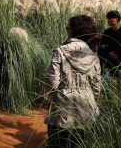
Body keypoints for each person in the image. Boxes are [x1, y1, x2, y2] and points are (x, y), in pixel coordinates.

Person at [44, 15, 101, 148]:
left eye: (68, 27)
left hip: (63, 104)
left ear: (72, 31)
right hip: (86, 105)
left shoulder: (60, 51)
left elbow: (53, 82)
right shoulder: (94, 57)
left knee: (58, 143)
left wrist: (53, 95)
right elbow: (96, 89)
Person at [98, 10, 121, 92]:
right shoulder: (107, 32)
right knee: (106, 86)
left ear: (116, 19)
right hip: (109, 64)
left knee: (120, 87)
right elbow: (102, 46)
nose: (108, 20)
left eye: (110, 18)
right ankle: (108, 103)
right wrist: (108, 53)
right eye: (107, 18)